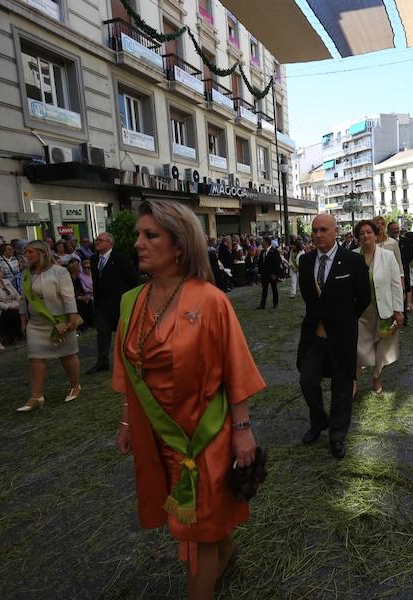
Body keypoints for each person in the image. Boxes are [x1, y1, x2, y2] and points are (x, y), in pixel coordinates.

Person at [112, 200, 264, 600]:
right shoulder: (131, 301)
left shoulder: (210, 300)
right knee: (200, 526)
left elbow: (237, 369)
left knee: (196, 540)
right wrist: (127, 422)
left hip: (205, 437)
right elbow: (127, 373)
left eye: (151, 235)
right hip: (157, 438)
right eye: (138, 235)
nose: (139, 243)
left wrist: (243, 430)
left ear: (179, 246)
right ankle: (225, 550)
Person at [297, 213, 371, 460]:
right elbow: (309, 298)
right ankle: (319, 421)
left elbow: (363, 298)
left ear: (335, 232)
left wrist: (345, 320)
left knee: (342, 388)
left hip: (342, 337)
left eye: (323, 230)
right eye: (315, 230)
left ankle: (337, 436)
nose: (318, 235)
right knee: (307, 381)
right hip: (313, 337)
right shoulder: (306, 262)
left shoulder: (352, 261)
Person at [17, 240, 82, 411]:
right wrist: (23, 321)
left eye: (30, 252)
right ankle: (36, 396)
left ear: (42, 253)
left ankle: (75, 386)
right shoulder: (26, 274)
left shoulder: (59, 272)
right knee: (35, 358)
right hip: (36, 323)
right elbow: (23, 299)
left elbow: (68, 296)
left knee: (67, 355)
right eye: (26, 252)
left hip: (59, 321)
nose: (27, 255)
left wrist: (72, 319)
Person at [354, 220, 403, 394]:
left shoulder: (387, 256)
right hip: (360, 312)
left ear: (376, 235)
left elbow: (396, 284)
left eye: (368, 232)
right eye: (361, 233)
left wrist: (398, 310)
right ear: (358, 238)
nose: (365, 235)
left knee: (382, 346)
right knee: (358, 345)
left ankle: (376, 377)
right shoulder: (352, 257)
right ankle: (354, 378)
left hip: (384, 311)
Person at [87, 232, 139, 374]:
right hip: (102, 305)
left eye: (100, 240)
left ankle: (131, 360)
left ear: (110, 243)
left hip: (120, 304)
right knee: (102, 333)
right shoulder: (93, 259)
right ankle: (102, 361)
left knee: (125, 335)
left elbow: (133, 280)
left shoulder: (121, 258)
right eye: (96, 240)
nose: (97, 242)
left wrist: (131, 301)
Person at [256, 237, 280, 309]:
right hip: (264, 274)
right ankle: (262, 304)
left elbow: (277, 263)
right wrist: (260, 273)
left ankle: (275, 303)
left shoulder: (274, 251)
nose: (261, 243)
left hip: (272, 274)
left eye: (262, 242)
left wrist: (275, 274)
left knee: (274, 288)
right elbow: (260, 263)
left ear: (266, 242)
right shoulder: (263, 252)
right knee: (264, 289)